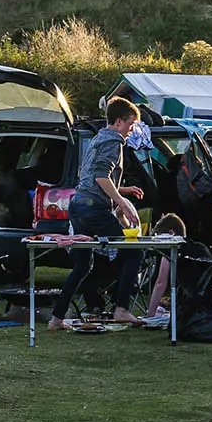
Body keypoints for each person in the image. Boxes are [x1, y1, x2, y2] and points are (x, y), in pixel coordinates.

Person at [49, 97, 148, 330]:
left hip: (78, 205)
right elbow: (101, 177)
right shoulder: (114, 142)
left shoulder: (98, 138)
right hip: (93, 209)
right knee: (134, 252)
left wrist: (123, 190)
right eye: (131, 124)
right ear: (119, 122)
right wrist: (123, 203)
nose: (132, 130)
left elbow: (92, 178)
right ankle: (121, 308)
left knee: (83, 265)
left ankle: (56, 318)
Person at [139, 213, 187, 328]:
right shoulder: (200, 248)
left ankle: (154, 315)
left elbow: (161, 283)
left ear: (171, 233)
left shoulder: (171, 252)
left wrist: (150, 315)